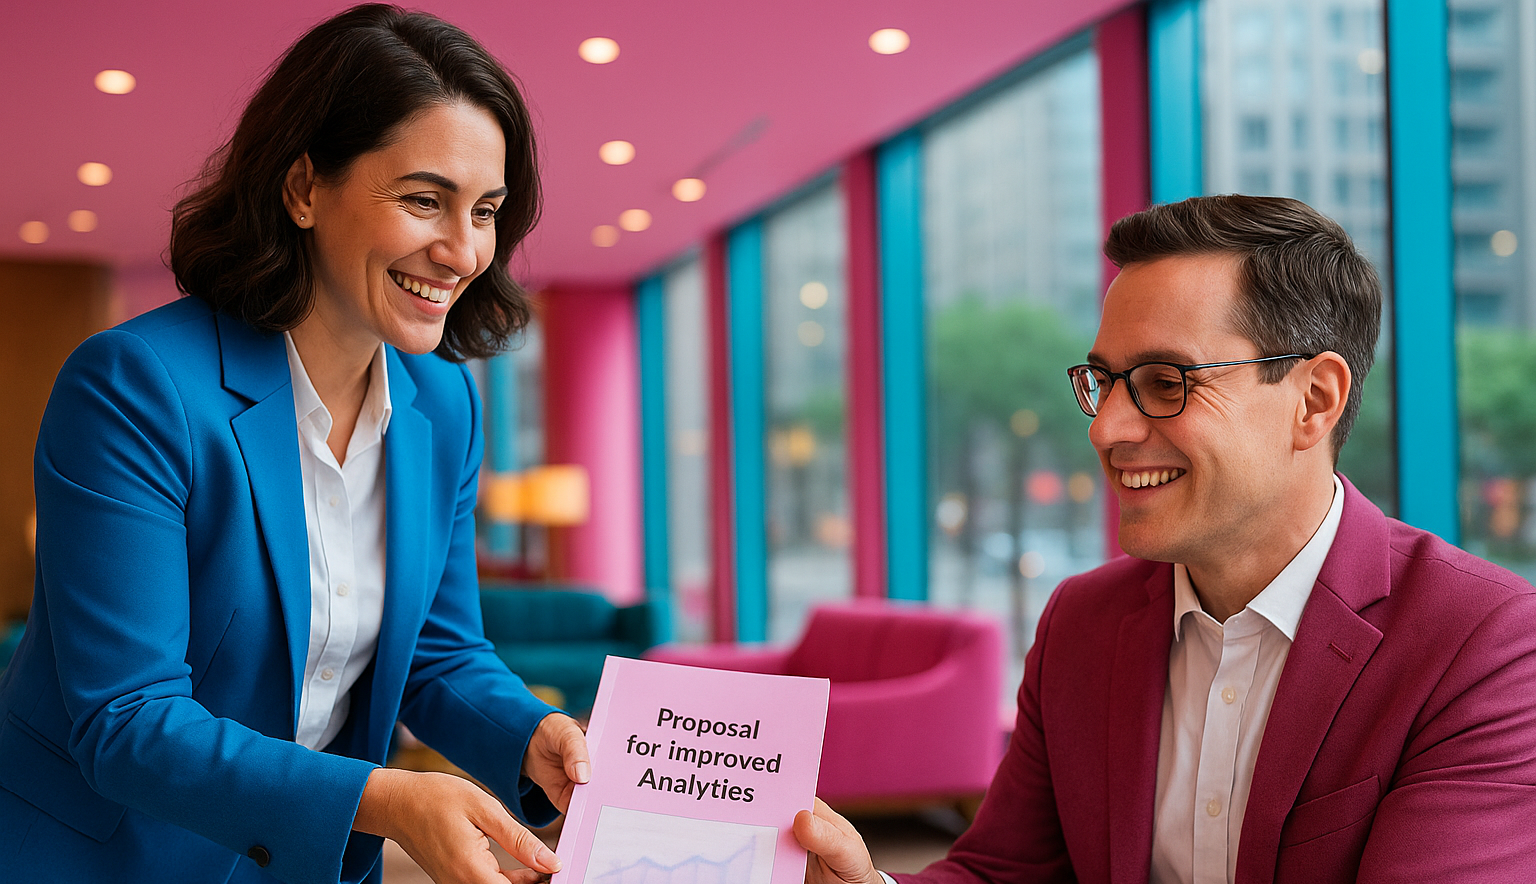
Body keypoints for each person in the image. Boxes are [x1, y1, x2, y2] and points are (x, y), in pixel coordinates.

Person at [0, 6, 588, 883]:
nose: (463, 251)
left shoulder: (443, 405)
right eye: (424, 200)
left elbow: (439, 649)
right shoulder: (135, 386)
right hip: (109, 859)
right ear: (305, 187)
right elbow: (127, 719)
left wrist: (531, 737)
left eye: (487, 211)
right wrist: (380, 799)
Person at [795, 195, 1536, 883]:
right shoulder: (1081, 623)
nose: (1105, 428)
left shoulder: (1484, 642)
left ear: (1314, 400)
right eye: (1104, 380)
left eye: (1164, 381)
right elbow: (1004, 873)